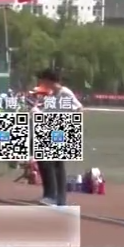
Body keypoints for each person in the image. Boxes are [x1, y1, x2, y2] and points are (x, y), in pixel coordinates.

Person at [35, 68, 81, 207]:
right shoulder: (51, 95)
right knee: (55, 164)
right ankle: (58, 198)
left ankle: (54, 197)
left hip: (60, 129)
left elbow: (78, 108)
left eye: (42, 80)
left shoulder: (64, 93)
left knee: (52, 163)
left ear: (48, 80)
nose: (41, 83)